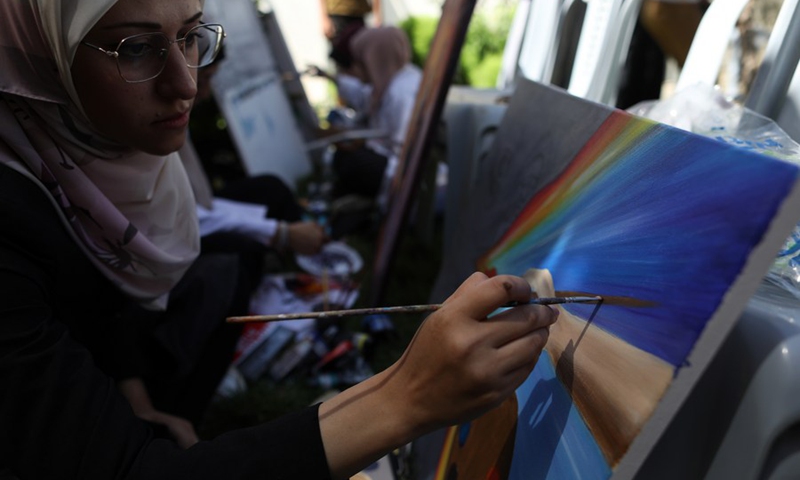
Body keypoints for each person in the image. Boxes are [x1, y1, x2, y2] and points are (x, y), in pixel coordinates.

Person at [0, 2, 557, 480]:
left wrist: (133, 398)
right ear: (42, 54)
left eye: (191, 36)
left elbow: (100, 297)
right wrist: (406, 398)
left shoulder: (95, 160)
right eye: (135, 48)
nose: (188, 83)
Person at [312, 26, 422, 207]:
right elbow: (363, 96)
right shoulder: (390, 81)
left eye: (362, 61)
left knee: (353, 162)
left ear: (376, 58)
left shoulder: (402, 94)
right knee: (345, 155)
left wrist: (359, 141)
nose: (357, 68)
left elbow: (402, 148)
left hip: (403, 174)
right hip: (390, 161)